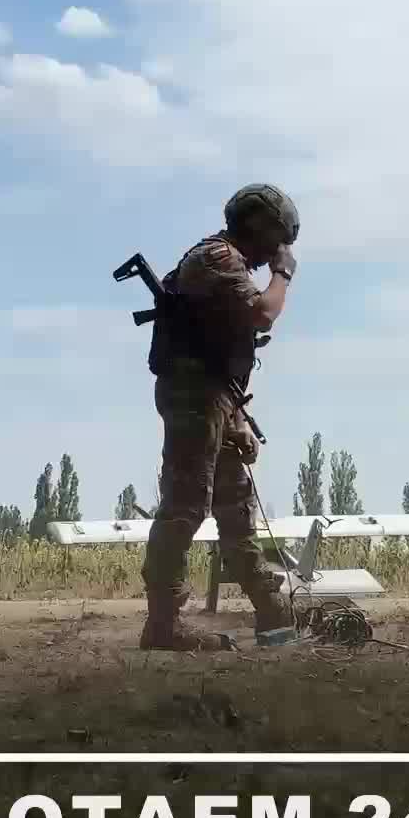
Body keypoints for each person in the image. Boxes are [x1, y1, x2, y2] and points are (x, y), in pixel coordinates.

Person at [138, 184, 301, 651]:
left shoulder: (226, 262)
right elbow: (263, 314)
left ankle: (272, 610)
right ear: (258, 226)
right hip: (194, 398)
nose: (280, 248)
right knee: (185, 505)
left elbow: (219, 350)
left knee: (235, 505)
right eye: (278, 237)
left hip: (216, 400)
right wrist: (283, 274)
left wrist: (239, 419)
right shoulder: (217, 258)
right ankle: (163, 624)